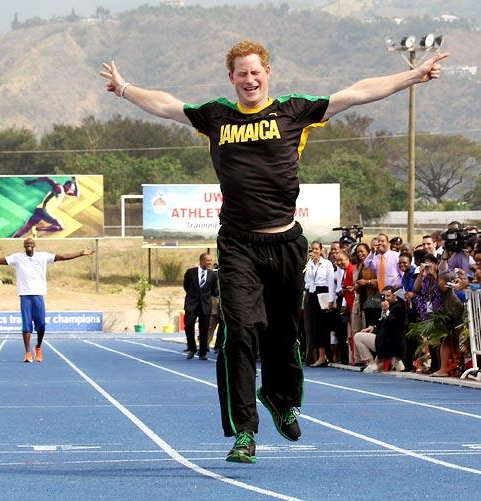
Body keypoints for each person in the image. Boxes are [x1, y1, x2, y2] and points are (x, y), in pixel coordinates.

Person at [100, 39, 449, 464]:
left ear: (268, 73)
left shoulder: (293, 111)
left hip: (285, 243)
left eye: (255, 72)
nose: (249, 79)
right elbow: (166, 105)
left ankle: (280, 399)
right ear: (231, 78)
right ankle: (244, 431)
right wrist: (123, 88)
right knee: (239, 333)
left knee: (286, 334)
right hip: (237, 244)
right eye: (241, 73)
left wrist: (413, 75)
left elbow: (357, 92)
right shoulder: (216, 117)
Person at [0, 238, 93, 362]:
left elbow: (62, 257)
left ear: (34, 245)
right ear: (24, 245)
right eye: (27, 243)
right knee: (26, 326)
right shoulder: (17, 257)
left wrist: (80, 253)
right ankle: (28, 352)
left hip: (38, 295)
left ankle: (38, 347)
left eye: (31, 243)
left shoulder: (43, 256)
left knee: (42, 325)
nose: (29, 245)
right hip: (24, 295)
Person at [353, 286, 406, 372]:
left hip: (391, 342)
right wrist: (373, 327)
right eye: (383, 296)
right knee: (359, 336)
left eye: (388, 296)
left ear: (395, 296)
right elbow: (382, 323)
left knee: (358, 337)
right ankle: (378, 362)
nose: (385, 298)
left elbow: (393, 323)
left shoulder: (399, 307)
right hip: (382, 340)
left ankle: (375, 362)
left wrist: (386, 311)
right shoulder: (386, 307)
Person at [12, 176, 79, 238]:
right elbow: (48, 179)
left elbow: (76, 194)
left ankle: (13, 238)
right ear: (66, 185)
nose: (70, 190)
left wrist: (75, 182)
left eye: (71, 189)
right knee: (60, 226)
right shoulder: (60, 188)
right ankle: (38, 229)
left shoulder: (64, 192)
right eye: (70, 188)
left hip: (39, 210)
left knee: (27, 227)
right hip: (44, 210)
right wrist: (32, 181)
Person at [304, 241, 335, 367]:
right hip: (312, 294)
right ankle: (319, 356)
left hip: (324, 293)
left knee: (323, 326)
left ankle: (325, 356)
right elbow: (307, 280)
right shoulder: (310, 264)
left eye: (317, 249)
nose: (314, 251)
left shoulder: (327, 264)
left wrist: (331, 299)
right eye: (312, 249)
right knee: (314, 326)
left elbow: (331, 282)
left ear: (321, 250)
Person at [183, 253, 216, 360]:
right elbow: (186, 286)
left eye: (211, 260)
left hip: (205, 306)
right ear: (201, 261)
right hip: (191, 305)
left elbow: (214, 291)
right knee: (189, 326)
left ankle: (202, 353)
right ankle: (192, 348)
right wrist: (193, 296)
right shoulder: (190, 272)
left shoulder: (212, 275)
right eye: (208, 260)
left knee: (204, 329)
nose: (210, 263)